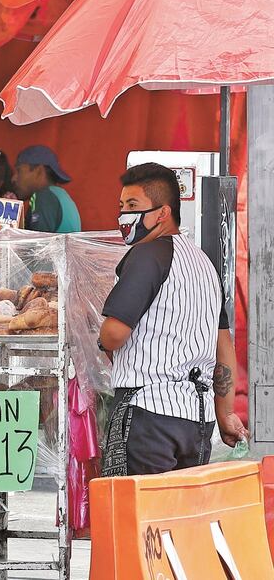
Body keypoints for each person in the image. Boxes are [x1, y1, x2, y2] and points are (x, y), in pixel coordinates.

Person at [98, 163, 248, 476]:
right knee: (175, 521)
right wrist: (226, 415)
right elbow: (224, 349)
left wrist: (100, 340)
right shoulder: (204, 264)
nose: (124, 215)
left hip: (147, 416)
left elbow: (113, 334)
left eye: (134, 206)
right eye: (122, 206)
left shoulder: (147, 255)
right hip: (198, 422)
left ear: (163, 213)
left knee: (137, 518)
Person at [11, 145, 80, 232]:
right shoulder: (58, 195)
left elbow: (38, 243)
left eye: (19, 171)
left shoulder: (44, 197)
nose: (13, 178)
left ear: (39, 171)